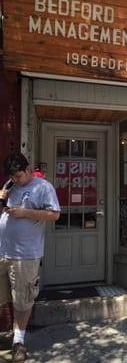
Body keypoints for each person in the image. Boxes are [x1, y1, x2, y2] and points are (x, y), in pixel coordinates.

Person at [0, 153, 60, 362]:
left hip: (25, 255)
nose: (15, 180)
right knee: (4, 297)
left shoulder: (43, 187)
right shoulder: (11, 187)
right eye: (12, 177)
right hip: (2, 251)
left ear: (28, 170)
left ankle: (18, 342)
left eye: (18, 176)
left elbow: (54, 214)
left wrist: (25, 213)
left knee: (22, 300)